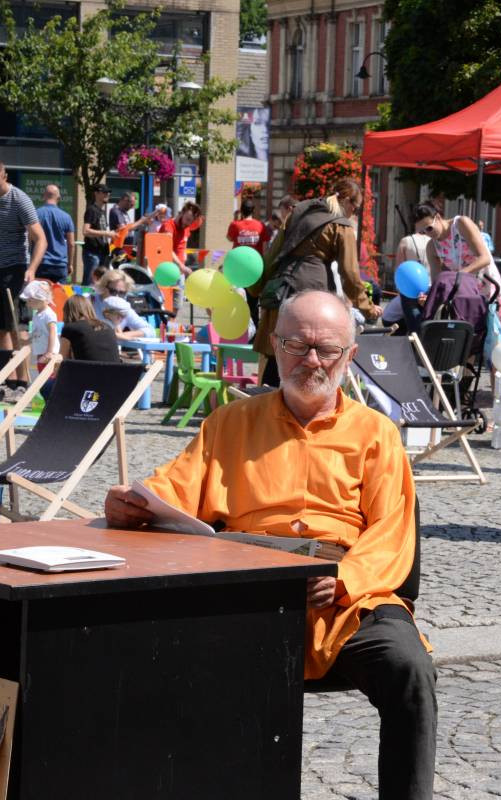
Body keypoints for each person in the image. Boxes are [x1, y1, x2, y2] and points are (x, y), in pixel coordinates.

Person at [104, 290, 436, 799]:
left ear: (349, 356)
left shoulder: (377, 434)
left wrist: (344, 581)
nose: (311, 361)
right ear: (274, 348)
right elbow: (169, 491)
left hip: (346, 600)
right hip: (244, 600)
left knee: (408, 668)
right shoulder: (228, 424)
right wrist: (130, 506)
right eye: (296, 345)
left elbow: (392, 531)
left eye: (326, 349)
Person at [254, 179, 380, 386]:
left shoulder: (299, 212)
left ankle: (267, 411)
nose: (353, 214)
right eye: (354, 209)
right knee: (309, 358)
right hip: (314, 295)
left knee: (277, 355)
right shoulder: (341, 225)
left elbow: (272, 255)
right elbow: (349, 273)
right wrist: (367, 308)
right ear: (347, 201)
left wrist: (257, 287)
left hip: (281, 292)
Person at [0, 160, 46, 389]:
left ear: (5, 176)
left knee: (17, 327)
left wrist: (31, 268)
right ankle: (8, 377)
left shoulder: (20, 199)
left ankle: (23, 378)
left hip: (14, 267)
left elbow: (40, 238)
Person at [412, 203, 501, 327]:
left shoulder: (461, 224)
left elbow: (485, 258)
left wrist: (458, 276)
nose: (428, 234)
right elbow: (437, 282)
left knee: (490, 336)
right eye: (422, 232)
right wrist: (429, 296)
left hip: (486, 287)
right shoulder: (432, 247)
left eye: (429, 228)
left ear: (438, 217)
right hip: (462, 297)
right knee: (468, 337)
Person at [59, 294, 121, 362]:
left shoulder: (70, 328)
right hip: (116, 370)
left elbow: (62, 358)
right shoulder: (107, 327)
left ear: (67, 311)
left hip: (88, 371)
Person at [96, 269, 154, 340]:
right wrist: (113, 335)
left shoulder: (124, 308)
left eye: (122, 293)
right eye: (113, 291)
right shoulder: (90, 302)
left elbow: (150, 331)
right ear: (104, 288)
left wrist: (121, 335)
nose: (117, 296)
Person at [35, 184, 76, 283]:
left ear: (44, 196)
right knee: (59, 297)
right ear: (59, 198)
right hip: (60, 265)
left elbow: (29, 238)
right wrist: (70, 264)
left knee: (40, 296)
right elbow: (71, 244)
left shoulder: (35, 214)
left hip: (40, 263)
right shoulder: (66, 217)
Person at [21, 280, 59, 374]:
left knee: (49, 376)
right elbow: (36, 333)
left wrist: (49, 352)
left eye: (30, 300)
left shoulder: (49, 314)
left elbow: (52, 333)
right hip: (40, 351)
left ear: (40, 299)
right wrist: (27, 340)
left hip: (49, 353)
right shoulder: (36, 315)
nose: (27, 304)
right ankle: (44, 389)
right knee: (41, 373)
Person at [160, 201, 204, 275]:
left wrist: (184, 257)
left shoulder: (186, 227)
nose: (189, 224)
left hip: (180, 272)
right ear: (181, 213)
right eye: (187, 219)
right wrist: (182, 266)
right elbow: (167, 249)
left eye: (191, 221)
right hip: (167, 272)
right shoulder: (168, 227)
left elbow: (183, 245)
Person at [82, 184, 112, 285]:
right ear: (96, 193)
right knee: (90, 283)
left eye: (108, 193)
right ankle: (84, 300)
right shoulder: (92, 210)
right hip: (93, 252)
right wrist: (106, 233)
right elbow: (85, 231)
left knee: (101, 284)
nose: (107, 195)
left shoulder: (102, 211)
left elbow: (102, 231)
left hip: (102, 252)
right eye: (104, 192)